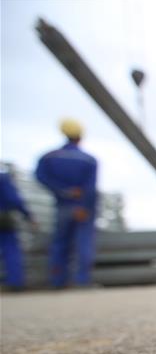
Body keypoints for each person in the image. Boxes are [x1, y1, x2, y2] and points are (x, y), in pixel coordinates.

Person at [36, 119, 99, 288]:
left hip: (62, 206)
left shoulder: (49, 157)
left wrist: (62, 191)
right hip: (82, 206)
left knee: (60, 243)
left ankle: (57, 281)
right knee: (83, 243)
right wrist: (84, 206)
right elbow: (90, 187)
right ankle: (82, 281)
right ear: (80, 137)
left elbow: (41, 178)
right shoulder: (88, 160)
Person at [0, 169, 37, 290]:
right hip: (3, 218)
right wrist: (28, 215)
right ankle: (15, 283)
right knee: (10, 248)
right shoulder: (3, 178)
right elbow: (14, 199)